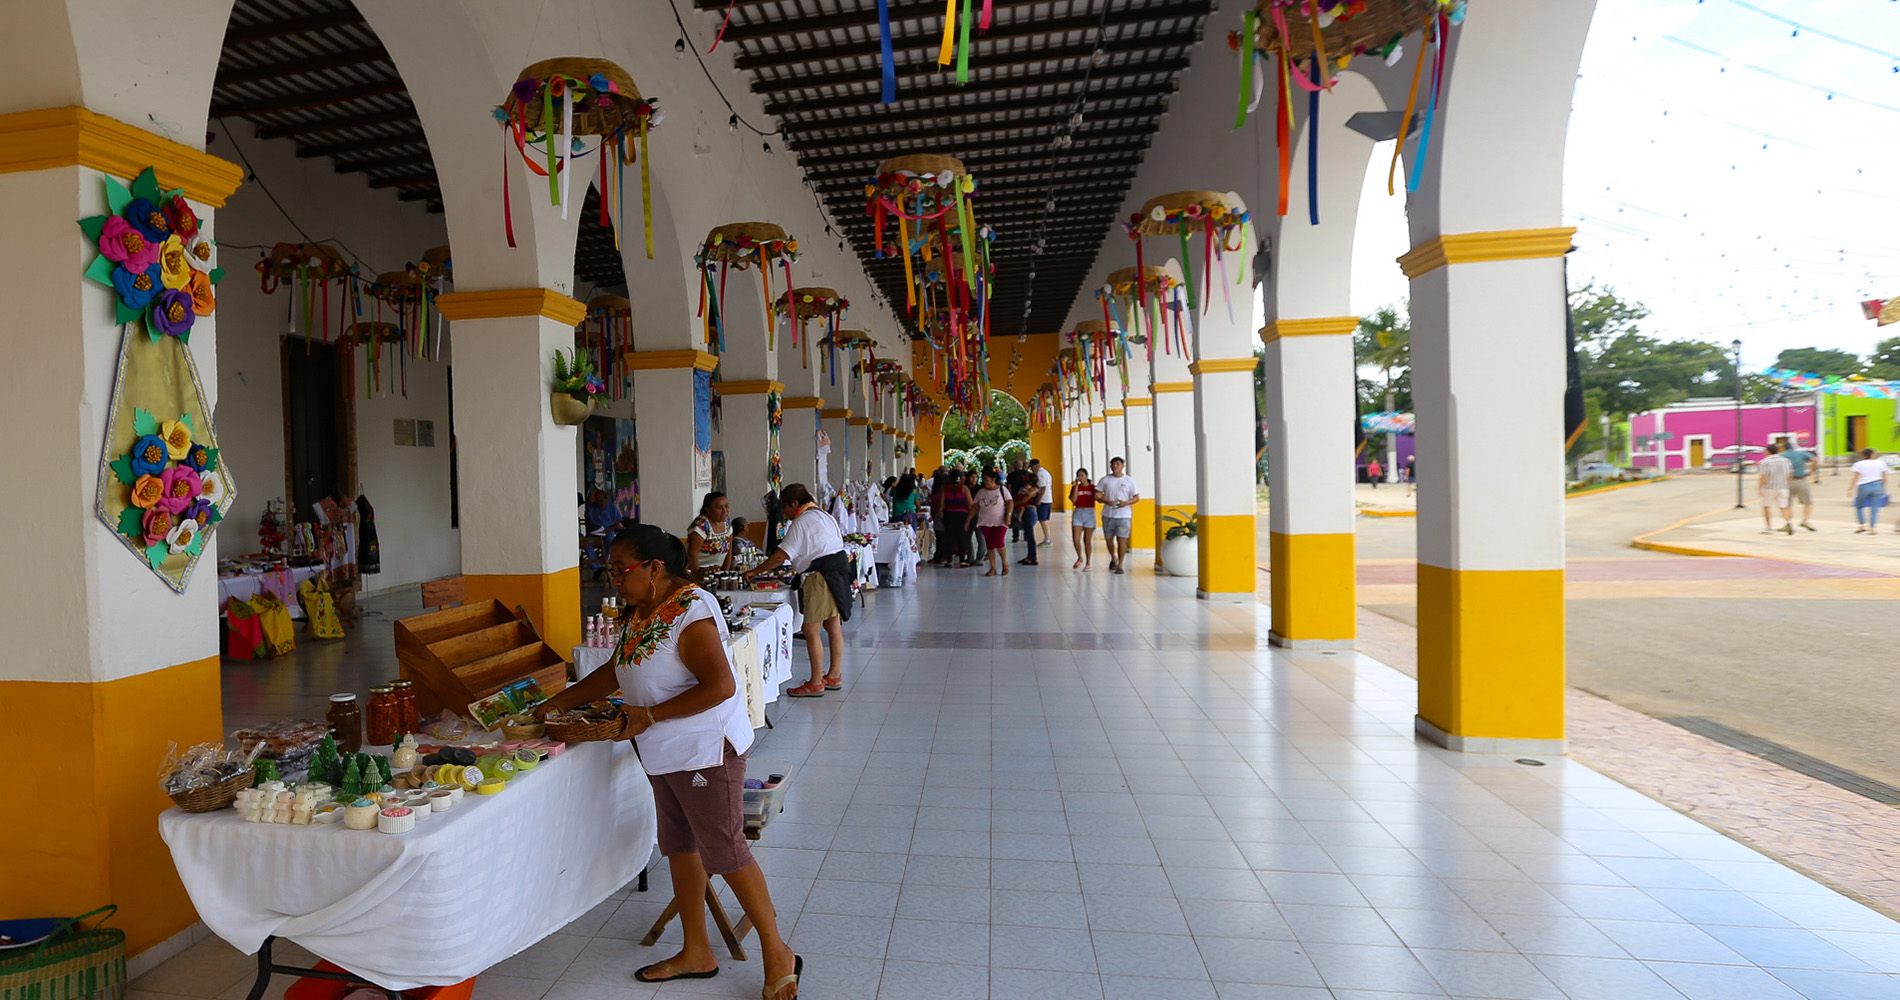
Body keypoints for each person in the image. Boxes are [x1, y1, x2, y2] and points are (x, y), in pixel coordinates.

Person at [534, 526, 802, 999]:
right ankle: (697, 950)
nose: (612, 577)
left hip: (704, 751)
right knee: (679, 844)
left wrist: (651, 713)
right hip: (662, 750)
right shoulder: (642, 611)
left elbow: (720, 686)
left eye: (621, 569)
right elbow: (618, 668)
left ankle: (776, 950)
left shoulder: (692, 612)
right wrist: (560, 700)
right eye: (610, 568)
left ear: (655, 569)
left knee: (726, 849)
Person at [745, 484, 851, 696]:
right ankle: (834, 675)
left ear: (795, 504)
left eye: (784, 508)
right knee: (833, 626)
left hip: (820, 576)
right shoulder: (823, 515)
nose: (783, 513)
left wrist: (754, 572)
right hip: (838, 572)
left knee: (810, 630)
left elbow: (780, 556)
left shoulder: (802, 521)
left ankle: (815, 682)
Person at [1097, 456, 1139, 574]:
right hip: (1108, 514)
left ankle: (1120, 564)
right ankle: (1113, 557)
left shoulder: (1129, 481)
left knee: (1122, 540)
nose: (1115, 466)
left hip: (1124, 515)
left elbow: (1136, 498)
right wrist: (1105, 501)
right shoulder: (1105, 480)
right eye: (1113, 464)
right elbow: (1097, 495)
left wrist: (1125, 503)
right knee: (1109, 539)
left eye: (1117, 464)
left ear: (1122, 465)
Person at [685, 493, 735, 581]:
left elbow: (729, 550)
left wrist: (725, 574)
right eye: (719, 508)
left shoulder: (727, 523)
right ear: (707, 509)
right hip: (699, 574)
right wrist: (697, 578)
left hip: (717, 574)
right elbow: (692, 554)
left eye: (726, 506)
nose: (725, 511)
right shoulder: (701, 526)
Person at [974, 470, 1014, 576]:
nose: (985, 482)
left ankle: (1005, 563)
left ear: (993, 479)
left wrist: (1008, 516)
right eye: (984, 480)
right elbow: (975, 506)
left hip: (1000, 521)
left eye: (987, 480)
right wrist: (968, 520)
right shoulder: (981, 492)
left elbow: (1010, 502)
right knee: (990, 544)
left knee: (999, 541)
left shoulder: (1002, 489)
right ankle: (993, 568)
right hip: (985, 522)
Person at [935, 472, 975, 567]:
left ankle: (949, 560)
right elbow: (970, 505)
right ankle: (962, 560)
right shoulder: (964, 489)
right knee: (962, 537)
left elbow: (941, 505)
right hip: (962, 516)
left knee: (949, 537)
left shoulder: (944, 489)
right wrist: (970, 517)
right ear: (961, 479)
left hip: (948, 515)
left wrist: (939, 515)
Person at [1779, 439, 1818, 531]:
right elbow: (1814, 459)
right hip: (1801, 479)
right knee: (1808, 502)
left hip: (1787, 481)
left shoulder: (1782, 456)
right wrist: (1812, 471)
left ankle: (1788, 522)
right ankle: (1805, 520)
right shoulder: (1800, 454)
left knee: (1787, 504)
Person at [1010, 460, 1043, 566]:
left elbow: (1024, 500)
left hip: (1029, 511)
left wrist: (1014, 504)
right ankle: (1030, 556)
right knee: (1028, 535)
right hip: (1026, 511)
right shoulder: (1030, 489)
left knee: (1030, 535)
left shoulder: (1034, 490)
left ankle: (1033, 557)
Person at [1757, 442, 1794, 536]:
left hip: (1769, 487)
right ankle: (1788, 522)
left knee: (1766, 506)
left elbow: (1764, 477)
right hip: (1783, 487)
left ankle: (1769, 528)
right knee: (1783, 506)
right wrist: (1787, 483)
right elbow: (1790, 474)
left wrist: (1760, 487)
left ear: (1768, 451)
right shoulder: (1786, 461)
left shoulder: (1765, 462)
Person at [1850, 448, 1888, 535]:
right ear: (1873, 455)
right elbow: (1884, 476)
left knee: (1859, 505)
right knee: (1875, 507)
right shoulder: (1880, 463)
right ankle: (1872, 528)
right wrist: (1883, 487)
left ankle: (1861, 525)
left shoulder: (1858, 464)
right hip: (1877, 485)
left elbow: (1856, 477)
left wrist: (1851, 488)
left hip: (1864, 486)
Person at [1069, 467, 1097, 571]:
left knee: (1087, 540)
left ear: (1086, 476)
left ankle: (1089, 562)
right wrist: (1076, 486)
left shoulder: (1093, 488)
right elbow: (1073, 500)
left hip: (1089, 512)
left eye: (1082, 475)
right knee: (1076, 539)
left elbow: (1098, 497)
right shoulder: (1075, 488)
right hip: (1078, 512)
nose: (1080, 477)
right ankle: (1080, 557)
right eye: (1078, 476)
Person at [1005, 460, 1037, 545]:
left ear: (1015, 466)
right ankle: (1026, 535)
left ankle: (1016, 536)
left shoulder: (1011, 475)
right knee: (1028, 525)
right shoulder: (1027, 474)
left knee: (1015, 516)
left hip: (1016, 498)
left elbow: (1009, 487)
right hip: (1027, 502)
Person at [1031, 459, 1055, 547]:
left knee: (1042, 520)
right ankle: (1047, 539)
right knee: (1043, 520)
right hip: (1048, 498)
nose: (1032, 470)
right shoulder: (1046, 472)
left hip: (1044, 500)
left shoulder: (1040, 474)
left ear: (1036, 466)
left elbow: (1043, 487)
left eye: (1032, 467)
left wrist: (1039, 500)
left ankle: (1047, 540)